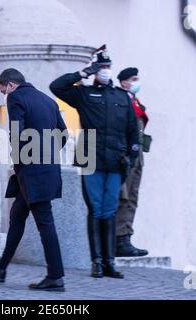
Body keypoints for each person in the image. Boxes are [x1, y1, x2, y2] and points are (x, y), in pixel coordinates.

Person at [50, 46, 139, 279]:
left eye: (107, 67)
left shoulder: (122, 97)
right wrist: (83, 73)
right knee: (96, 210)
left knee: (110, 210)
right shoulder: (84, 94)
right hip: (91, 159)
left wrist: (131, 157)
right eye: (101, 67)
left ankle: (110, 263)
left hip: (115, 162)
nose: (105, 71)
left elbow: (132, 132)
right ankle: (96, 262)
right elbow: (56, 86)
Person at [0, 68, 68, 292]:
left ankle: (56, 277)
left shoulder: (16, 97)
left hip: (31, 172)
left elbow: (16, 133)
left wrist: (21, 160)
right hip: (46, 169)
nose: (4, 95)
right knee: (17, 216)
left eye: (2, 90)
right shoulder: (48, 100)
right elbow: (63, 134)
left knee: (45, 222)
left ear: (9, 85)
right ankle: (1, 267)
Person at [115, 67, 150, 257]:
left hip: (137, 155)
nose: (137, 82)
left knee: (133, 197)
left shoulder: (134, 101)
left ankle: (126, 236)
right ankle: (119, 238)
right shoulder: (120, 100)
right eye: (134, 79)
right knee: (124, 196)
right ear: (124, 83)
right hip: (126, 154)